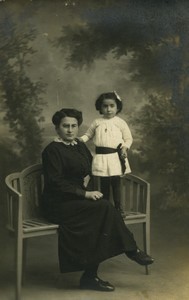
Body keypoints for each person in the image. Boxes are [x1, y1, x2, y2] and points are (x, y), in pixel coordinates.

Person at [41, 108, 154, 292]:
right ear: (57, 129)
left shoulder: (78, 145)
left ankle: (91, 276)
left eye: (74, 126)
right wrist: (85, 193)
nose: (70, 130)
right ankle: (131, 251)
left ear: (78, 127)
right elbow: (56, 183)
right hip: (57, 203)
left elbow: (90, 165)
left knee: (102, 212)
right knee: (103, 210)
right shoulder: (52, 151)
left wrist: (100, 175)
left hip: (76, 200)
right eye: (65, 126)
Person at [79, 91, 132, 216]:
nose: (108, 109)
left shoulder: (120, 122)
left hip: (115, 157)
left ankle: (119, 208)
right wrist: (81, 139)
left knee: (116, 183)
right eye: (105, 106)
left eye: (112, 106)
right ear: (100, 107)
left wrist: (125, 148)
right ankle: (105, 207)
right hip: (102, 158)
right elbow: (88, 135)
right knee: (104, 184)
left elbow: (128, 138)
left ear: (117, 107)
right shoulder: (97, 122)